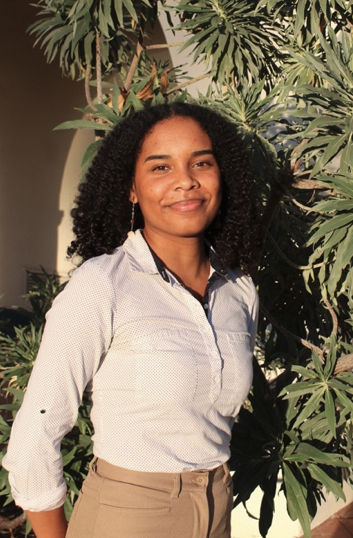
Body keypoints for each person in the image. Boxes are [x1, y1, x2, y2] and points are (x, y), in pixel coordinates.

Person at [3, 102, 259, 538]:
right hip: (129, 515)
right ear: (132, 189)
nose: (185, 180)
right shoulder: (102, 285)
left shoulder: (239, 290)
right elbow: (36, 432)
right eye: (160, 167)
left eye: (201, 162)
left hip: (216, 507)